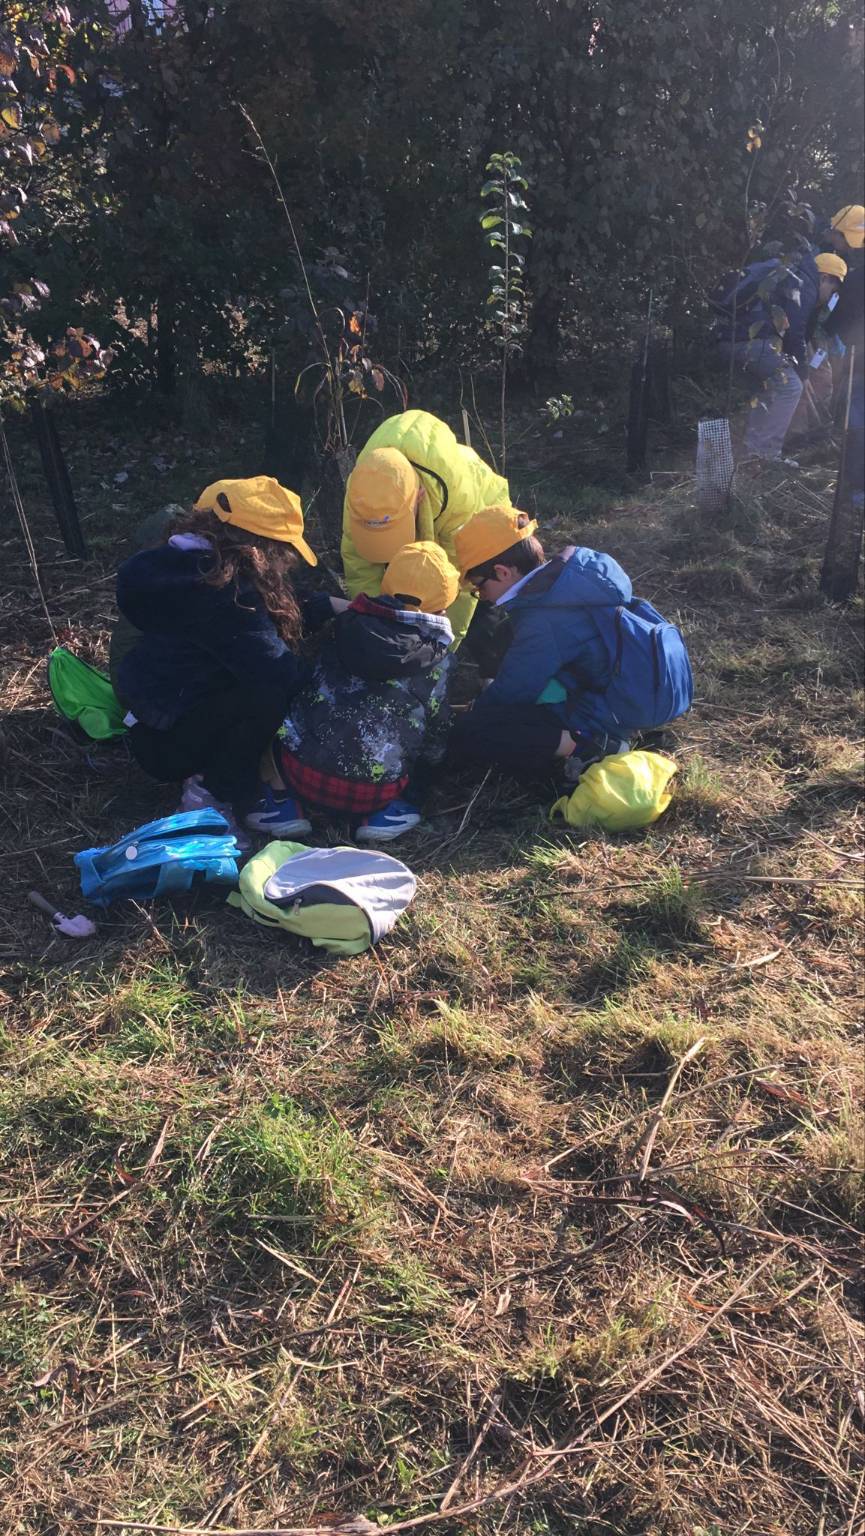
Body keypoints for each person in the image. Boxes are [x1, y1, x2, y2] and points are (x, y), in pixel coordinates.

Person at [116, 476, 344, 842]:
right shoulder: (227, 596)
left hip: (152, 721)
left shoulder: (182, 567)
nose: (286, 563)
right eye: (282, 551)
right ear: (257, 547)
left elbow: (256, 618)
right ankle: (209, 797)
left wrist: (327, 606)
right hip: (171, 745)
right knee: (270, 696)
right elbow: (277, 671)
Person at [449, 506, 692, 785]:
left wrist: (472, 714)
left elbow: (513, 692)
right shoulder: (567, 581)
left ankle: (597, 745)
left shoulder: (543, 621)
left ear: (502, 572)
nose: (481, 596)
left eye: (479, 587)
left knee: (483, 729)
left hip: (622, 703)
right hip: (642, 684)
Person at [277, 542, 458, 841]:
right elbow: (437, 735)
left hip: (300, 774)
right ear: (443, 606)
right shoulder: (441, 660)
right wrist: (426, 780)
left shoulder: (343, 626)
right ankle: (391, 812)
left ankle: (283, 804)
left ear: (386, 585)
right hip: (375, 792)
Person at [341, 408, 510, 646]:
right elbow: (360, 563)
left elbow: (458, 584)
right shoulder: (364, 490)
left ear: (418, 496)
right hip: (431, 506)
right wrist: (374, 621)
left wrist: (444, 647)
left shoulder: (459, 501)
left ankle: (485, 665)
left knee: (482, 598)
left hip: (482, 512)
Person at [712, 241, 843, 465]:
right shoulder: (806, 285)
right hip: (749, 341)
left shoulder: (791, 275)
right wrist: (803, 372)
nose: (829, 296)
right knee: (791, 386)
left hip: (727, 339)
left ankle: (753, 454)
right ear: (825, 278)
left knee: (769, 390)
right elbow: (794, 333)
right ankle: (768, 455)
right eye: (832, 290)